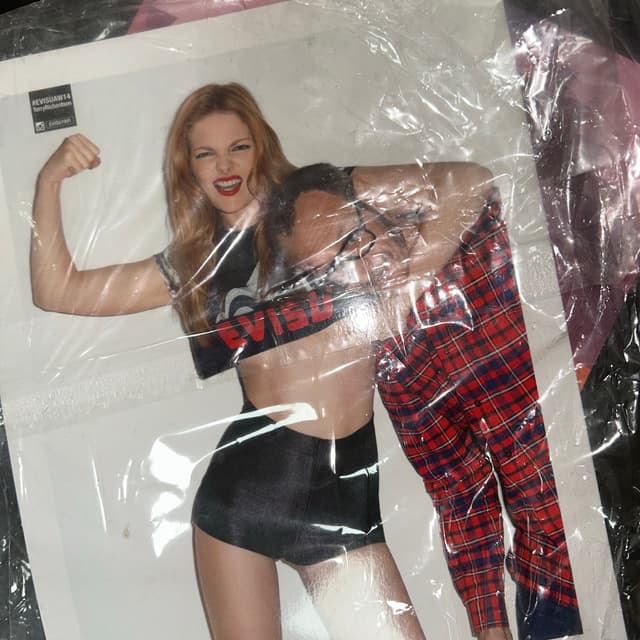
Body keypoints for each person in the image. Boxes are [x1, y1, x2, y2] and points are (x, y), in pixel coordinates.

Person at [30, 82, 490, 640]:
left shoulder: (325, 198)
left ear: (261, 146)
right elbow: (58, 290)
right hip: (247, 495)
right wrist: (49, 180)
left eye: (238, 147)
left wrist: (408, 286)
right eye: (206, 154)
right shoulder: (196, 263)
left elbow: (469, 182)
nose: (225, 167)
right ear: (189, 169)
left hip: (346, 498)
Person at [263, 162, 582, 640]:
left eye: (350, 239)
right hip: (553, 583)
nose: (355, 270)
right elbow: (460, 491)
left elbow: (472, 181)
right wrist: (489, 626)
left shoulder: (472, 235)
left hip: (611, 495)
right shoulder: (391, 356)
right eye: (327, 271)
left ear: (378, 209)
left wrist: (368, 190)